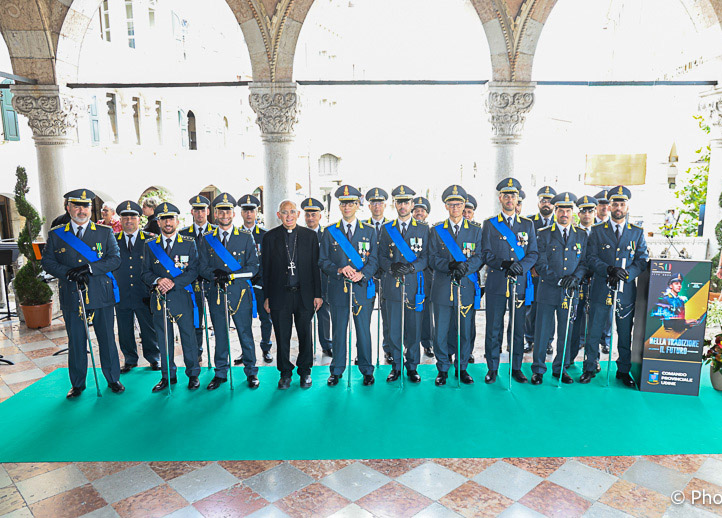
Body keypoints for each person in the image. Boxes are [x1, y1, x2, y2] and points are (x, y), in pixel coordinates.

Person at [42, 189, 124, 398]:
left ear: (90, 209)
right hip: (72, 294)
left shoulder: (104, 233)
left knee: (106, 338)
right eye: (76, 206)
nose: (81, 210)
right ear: (68, 208)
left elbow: (115, 259)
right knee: (76, 341)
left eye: (85, 206)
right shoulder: (56, 234)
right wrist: (68, 273)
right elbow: (48, 262)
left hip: (100, 294)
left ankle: (113, 378)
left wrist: (88, 269)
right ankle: (77, 383)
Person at [581, 186, 649, 388]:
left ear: (627, 206)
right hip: (602, 287)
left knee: (624, 331)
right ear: (609, 206)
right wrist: (609, 269)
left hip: (626, 290)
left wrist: (627, 274)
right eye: (615, 204)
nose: (618, 207)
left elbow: (642, 260)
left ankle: (624, 370)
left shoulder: (636, 232)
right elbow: (590, 258)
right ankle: (589, 367)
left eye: (622, 204)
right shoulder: (596, 231)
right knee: (594, 330)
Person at [198, 193, 260, 389]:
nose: (224, 214)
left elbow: (253, 266)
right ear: (215, 214)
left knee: (245, 333)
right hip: (216, 293)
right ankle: (221, 372)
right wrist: (213, 274)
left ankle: (251, 372)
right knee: (220, 334)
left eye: (228, 210)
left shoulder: (245, 237)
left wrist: (232, 276)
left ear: (233, 213)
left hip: (240, 293)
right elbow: (201, 266)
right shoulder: (207, 239)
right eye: (220, 211)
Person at [319, 185, 379, 386]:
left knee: (363, 331)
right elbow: (323, 261)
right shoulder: (329, 232)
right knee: (338, 331)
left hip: (361, 289)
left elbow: (375, 260)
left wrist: (362, 273)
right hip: (338, 289)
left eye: (351, 203)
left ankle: (366, 370)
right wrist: (338, 269)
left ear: (357, 205)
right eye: (344, 204)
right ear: (339, 206)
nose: (347, 207)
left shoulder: (369, 231)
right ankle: (336, 370)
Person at [481, 178, 538, 384]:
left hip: (520, 284)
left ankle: (516, 367)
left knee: (518, 328)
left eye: (513, 196)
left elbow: (533, 253)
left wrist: (520, 267)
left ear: (518, 199)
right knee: (493, 327)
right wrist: (504, 264)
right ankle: (492, 367)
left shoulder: (527, 224)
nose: (509, 199)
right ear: (500, 199)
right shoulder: (490, 224)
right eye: (506, 196)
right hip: (497, 283)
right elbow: (485, 253)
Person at [141, 202, 201, 392]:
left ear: (177, 220)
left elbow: (194, 270)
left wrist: (174, 282)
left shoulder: (189, 243)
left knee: (188, 338)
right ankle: (168, 376)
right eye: (164, 219)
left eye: (171, 218)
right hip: (160, 298)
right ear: (158, 222)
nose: (168, 222)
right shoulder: (150, 245)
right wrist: (159, 280)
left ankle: (193, 374)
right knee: (163, 339)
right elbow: (144, 273)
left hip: (182, 296)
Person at [262, 200, 322, 389]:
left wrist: (318, 294)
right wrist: (267, 296)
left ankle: (305, 372)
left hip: (304, 294)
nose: (289, 216)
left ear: (298, 214)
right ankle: (285, 373)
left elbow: (315, 268)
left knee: (305, 334)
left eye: (292, 212)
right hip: (280, 295)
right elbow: (266, 270)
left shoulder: (310, 236)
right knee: (282, 336)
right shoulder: (270, 237)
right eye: (285, 212)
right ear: (278, 215)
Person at [428, 185, 483, 385]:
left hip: (466, 286)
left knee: (464, 330)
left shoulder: (476, 230)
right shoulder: (436, 230)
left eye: (459, 204)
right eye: (451, 204)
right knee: (440, 331)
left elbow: (480, 256)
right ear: (446, 206)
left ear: (463, 205)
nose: (455, 207)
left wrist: (465, 268)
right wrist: (448, 265)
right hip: (442, 287)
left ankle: (461, 367)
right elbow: (431, 258)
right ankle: (442, 368)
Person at [530, 192, 587, 385]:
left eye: (568, 210)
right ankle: (538, 369)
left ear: (573, 212)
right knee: (542, 331)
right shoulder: (544, 234)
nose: (564, 213)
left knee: (566, 332)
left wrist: (575, 278)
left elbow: (584, 262)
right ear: (555, 211)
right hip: (548, 289)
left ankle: (560, 368)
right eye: (561, 210)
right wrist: (559, 280)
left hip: (570, 292)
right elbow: (540, 262)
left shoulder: (581, 234)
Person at [378, 185, 429, 383]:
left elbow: (426, 257)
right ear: (395, 204)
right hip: (392, 285)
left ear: (412, 204)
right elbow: (380, 255)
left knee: (414, 329)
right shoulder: (386, 229)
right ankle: (396, 366)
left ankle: (412, 366)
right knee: (394, 329)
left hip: (415, 286)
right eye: (399, 202)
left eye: (406, 202)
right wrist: (391, 267)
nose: (402, 205)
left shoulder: (424, 228)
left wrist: (412, 268)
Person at [114, 200, 160, 373]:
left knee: (149, 328)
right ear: (120, 220)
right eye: (125, 217)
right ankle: (130, 359)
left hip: (144, 292)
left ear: (139, 219)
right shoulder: (112, 240)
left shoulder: (150, 240)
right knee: (124, 329)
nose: (129, 221)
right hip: (122, 293)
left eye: (133, 217)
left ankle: (154, 358)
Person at [179, 195, 216, 364]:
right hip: (192, 283)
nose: (200, 214)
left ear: (208, 211)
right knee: (195, 319)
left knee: (218, 319)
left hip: (213, 282)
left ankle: (220, 355)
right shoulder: (183, 234)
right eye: (196, 210)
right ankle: (198, 350)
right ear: (192, 212)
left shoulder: (216, 231)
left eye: (203, 210)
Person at [238, 194, 274, 364]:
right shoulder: (235, 235)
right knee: (242, 320)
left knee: (265, 318)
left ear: (257, 212)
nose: (249, 214)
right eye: (245, 210)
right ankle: (245, 350)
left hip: (262, 284)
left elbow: (270, 261)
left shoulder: (266, 235)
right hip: (241, 285)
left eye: (251, 210)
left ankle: (266, 348)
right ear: (241, 213)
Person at [525, 186, 556, 355]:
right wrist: (532, 267)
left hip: (551, 275)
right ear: (538, 203)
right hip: (533, 273)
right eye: (543, 200)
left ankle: (548, 341)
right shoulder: (529, 222)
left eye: (550, 201)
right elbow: (527, 247)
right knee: (532, 308)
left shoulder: (559, 223)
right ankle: (529, 339)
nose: (547, 204)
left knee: (549, 309)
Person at [568, 195, 598, 366]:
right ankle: (569, 358)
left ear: (595, 212)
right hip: (576, 284)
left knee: (595, 324)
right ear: (578, 214)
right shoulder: (572, 232)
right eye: (583, 211)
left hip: (597, 282)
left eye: (590, 211)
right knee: (574, 321)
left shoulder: (601, 232)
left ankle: (593, 360)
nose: (587, 214)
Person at [302, 197, 333, 357]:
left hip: (323, 280)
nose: (310, 218)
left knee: (324, 315)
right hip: (305, 283)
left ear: (320, 216)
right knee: (305, 316)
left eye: (314, 215)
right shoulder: (299, 235)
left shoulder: (327, 234)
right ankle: (307, 346)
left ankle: (326, 344)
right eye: (307, 215)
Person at [365, 187, 392, 364]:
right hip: (367, 279)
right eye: (374, 203)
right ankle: (363, 351)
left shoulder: (392, 227)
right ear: (369, 206)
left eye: (380, 203)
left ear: (385, 205)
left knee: (389, 317)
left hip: (388, 277)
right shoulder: (361, 226)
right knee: (363, 316)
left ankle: (388, 349)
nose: (377, 206)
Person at [413, 196, 434, 359]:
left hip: (425, 277)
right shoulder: (403, 229)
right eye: (416, 210)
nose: (419, 213)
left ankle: (427, 344)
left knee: (426, 314)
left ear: (427, 214)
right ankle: (409, 345)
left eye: (422, 211)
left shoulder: (430, 230)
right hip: (407, 277)